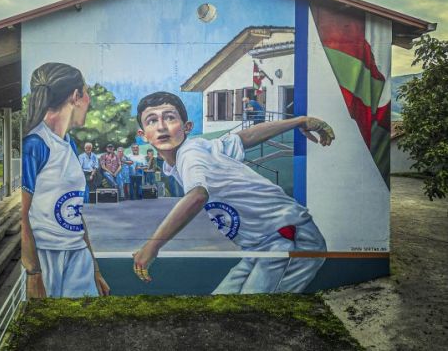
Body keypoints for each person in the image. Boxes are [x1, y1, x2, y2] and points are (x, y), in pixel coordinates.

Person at [132, 91, 335, 294]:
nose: (161, 126)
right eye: (152, 121)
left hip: (289, 235)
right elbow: (245, 137)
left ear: (187, 127)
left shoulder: (190, 154)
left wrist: (152, 246)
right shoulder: (203, 147)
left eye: (169, 117)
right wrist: (299, 121)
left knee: (251, 314)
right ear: (143, 135)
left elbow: (197, 196)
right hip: (258, 246)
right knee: (222, 308)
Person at [21, 62, 109, 299]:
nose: (89, 99)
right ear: (75, 96)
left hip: (77, 255)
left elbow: (75, 211)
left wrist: (94, 268)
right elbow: (21, 215)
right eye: (86, 92)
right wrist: (33, 274)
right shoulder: (35, 144)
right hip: (47, 258)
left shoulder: (69, 143)